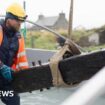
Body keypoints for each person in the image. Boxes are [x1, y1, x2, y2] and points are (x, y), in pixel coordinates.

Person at [0, 3, 29, 105]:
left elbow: (22, 61)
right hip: (3, 71)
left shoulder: (19, 37)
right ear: (8, 20)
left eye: (21, 21)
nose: (20, 23)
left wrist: (26, 76)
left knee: (14, 102)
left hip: (5, 82)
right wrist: (2, 67)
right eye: (17, 20)